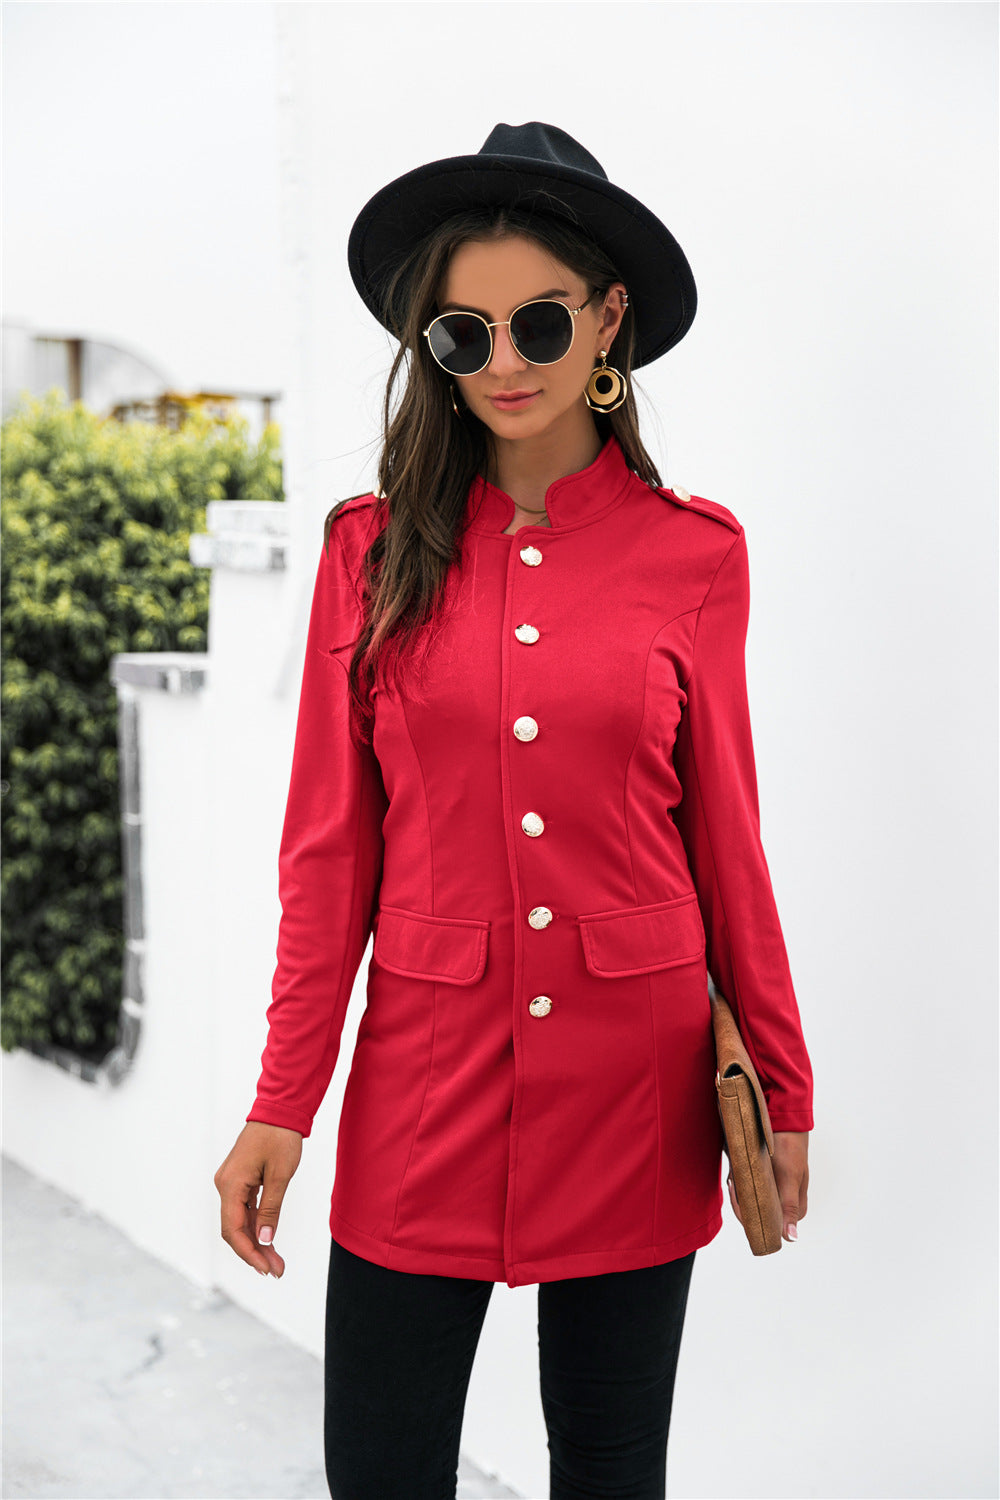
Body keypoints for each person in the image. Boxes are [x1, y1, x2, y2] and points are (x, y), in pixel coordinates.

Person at [214, 121, 814, 1500]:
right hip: (424, 1081)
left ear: (607, 319)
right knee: (382, 1470)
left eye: (539, 322)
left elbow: (728, 843)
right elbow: (328, 859)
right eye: (460, 335)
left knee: (610, 1469)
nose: (503, 363)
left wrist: (782, 1084)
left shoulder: (694, 555)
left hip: (636, 1086)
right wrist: (282, 1101)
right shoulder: (369, 554)